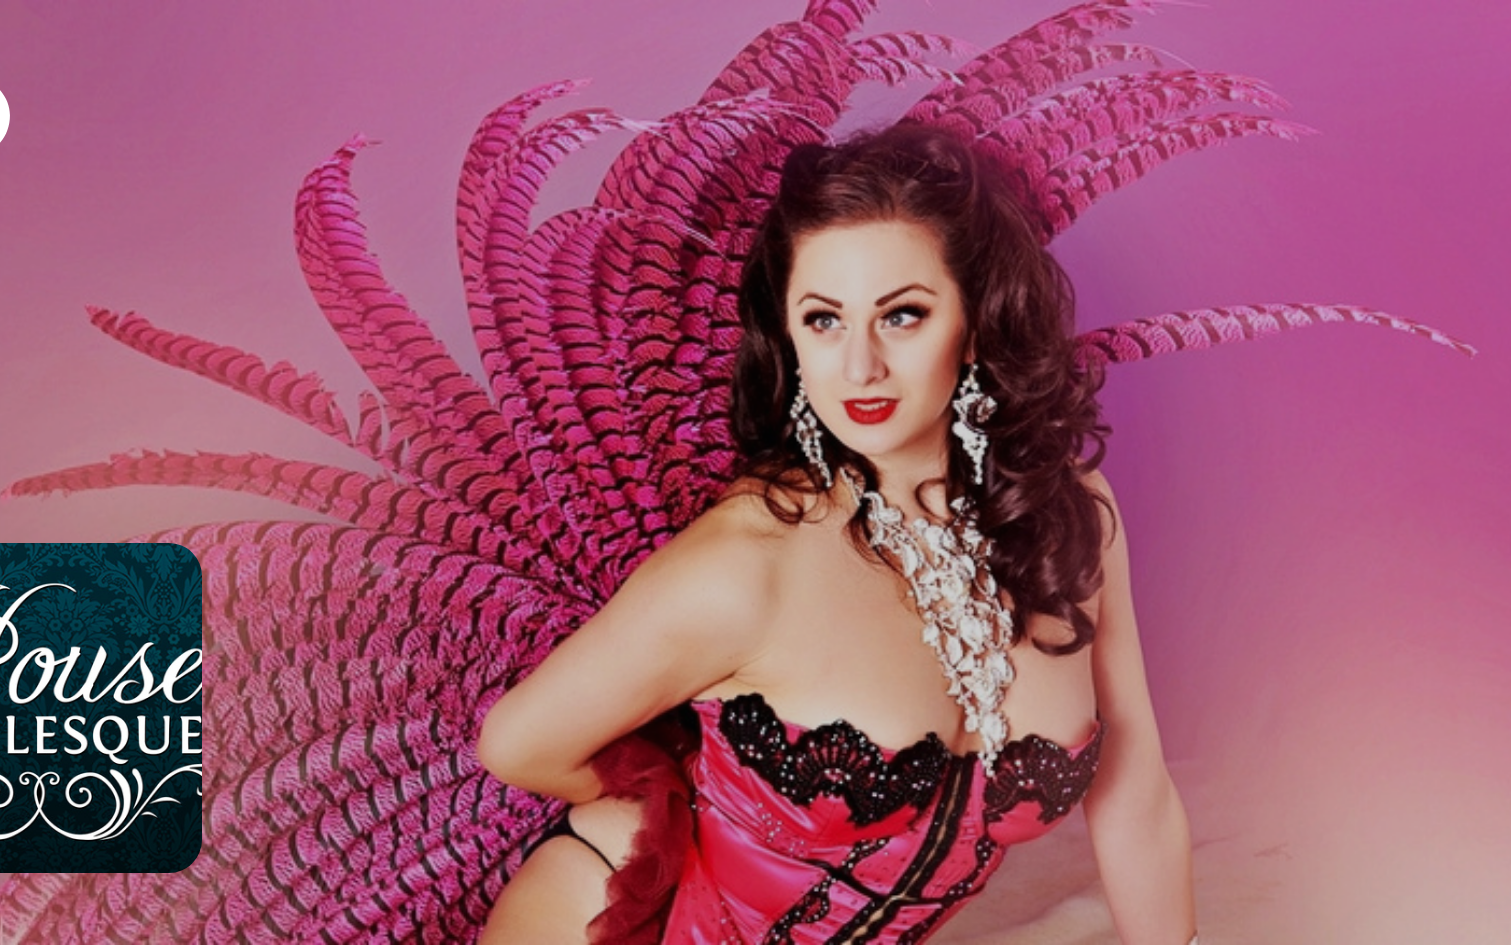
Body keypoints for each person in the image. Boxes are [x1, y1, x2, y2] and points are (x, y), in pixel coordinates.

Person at [478, 124, 1198, 944]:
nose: (860, 367)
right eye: (823, 319)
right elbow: (516, 744)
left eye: (902, 315)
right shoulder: (749, 559)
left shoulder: (1070, 518)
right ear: (788, 335)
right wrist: (670, 816)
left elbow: (1133, 790)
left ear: (976, 318)